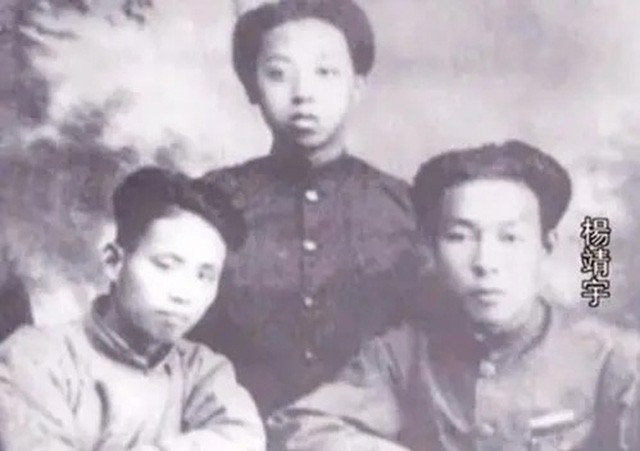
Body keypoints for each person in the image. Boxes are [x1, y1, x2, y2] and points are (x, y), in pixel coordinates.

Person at [268, 140, 640, 450]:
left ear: (546, 246)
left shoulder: (611, 359)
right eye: (460, 237)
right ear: (432, 248)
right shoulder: (400, 354)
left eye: (510, 238)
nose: (485, 262)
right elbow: (300, 426)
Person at [190, 0, 427, 415]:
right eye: (278, 73)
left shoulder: (406, 207)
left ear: (357, 85)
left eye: (325, 72)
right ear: (251, 86)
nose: (303, 94)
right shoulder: (209, 201)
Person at [0, 168, 265, 450]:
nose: (184, 294)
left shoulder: (202, 370)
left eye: (204, 276)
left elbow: (244, 439)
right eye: (166, 266)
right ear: (114, 262)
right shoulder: (34, 358)